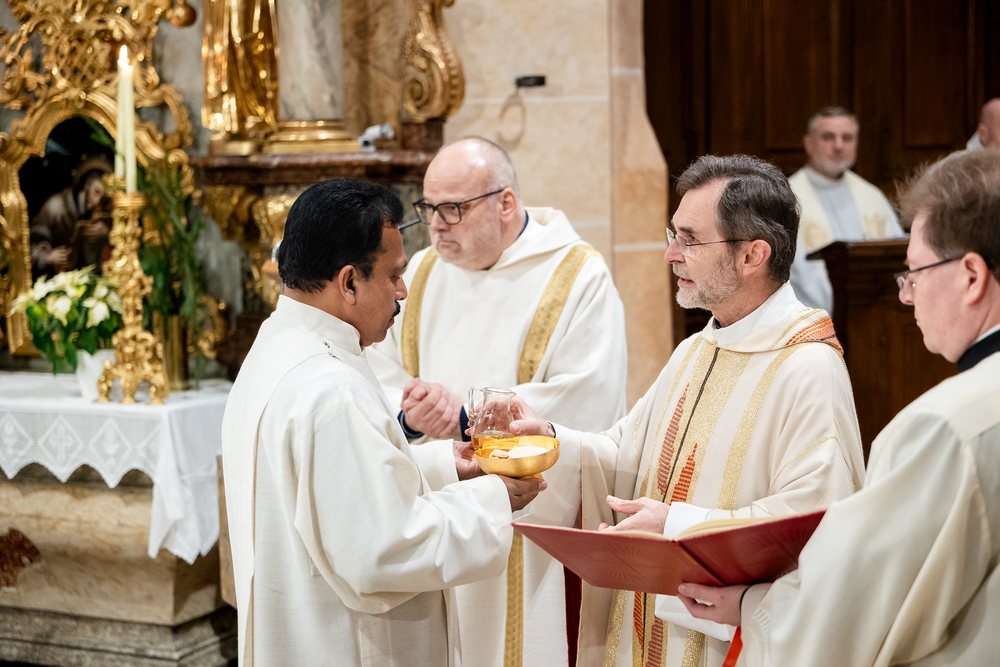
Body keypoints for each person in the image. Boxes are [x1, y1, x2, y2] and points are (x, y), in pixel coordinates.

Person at [510, 154, 866, 667]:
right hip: (648, 629)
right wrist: (547, 441)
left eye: (690, 240)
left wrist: (678, 525)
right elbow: (626, 455)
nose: (670, 254)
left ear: (753, 255)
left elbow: (814, 522)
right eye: (672, 234)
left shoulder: (806, 366)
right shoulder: (696, 349)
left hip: (731, 640)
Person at [677, 149, 1000, 666]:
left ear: (970, 276)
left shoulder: (944, 428)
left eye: (914, 272)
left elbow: (860, 603)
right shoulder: (697, 350)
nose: (907, 296)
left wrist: (754, 607)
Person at [220, 178, 546, 667]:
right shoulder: (329, 388)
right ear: (349, 282)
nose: (403, 290)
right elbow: (383, 551)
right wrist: (495, 496)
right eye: (394, 275)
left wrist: (446, 465)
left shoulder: (276, 348)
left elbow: (334, 488)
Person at [368, 137, 628, 667]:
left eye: (452, 209)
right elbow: (377, 371)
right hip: (438, 506)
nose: (435, 225)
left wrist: (464, 417)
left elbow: (587, 395)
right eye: (428, 208)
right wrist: (411, 415)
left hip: (533, 516)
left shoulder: (576, 274)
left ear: (505, 203)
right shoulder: (419, 274)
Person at [788, 107, 905, 313]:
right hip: (807, 322)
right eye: (828, 137)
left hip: (874, 315)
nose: (838, 146)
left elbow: (899, 256)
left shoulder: (871, 195)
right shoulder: (787, 198)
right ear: (808, 143)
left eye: (847, 138)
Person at [29, 155, 113, 277]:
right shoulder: (55, 208)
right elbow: (28, 247)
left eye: (103, 197)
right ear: (86, 186)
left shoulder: (103, 217)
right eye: (96, 192)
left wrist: (107, 233)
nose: (97, 201)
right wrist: (48, 257)